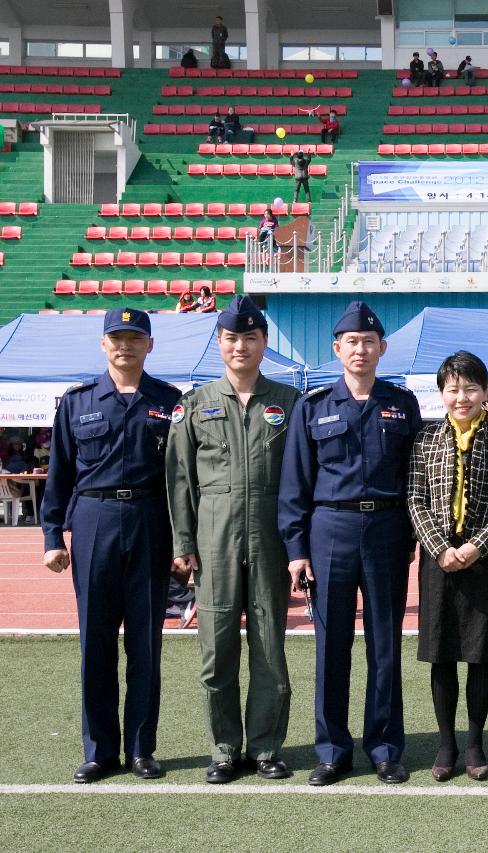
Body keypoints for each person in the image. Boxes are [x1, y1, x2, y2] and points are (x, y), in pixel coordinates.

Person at [278, 301, 423, 787]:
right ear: (337, 349)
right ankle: (332, 750)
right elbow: (295, 484)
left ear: (382, 349)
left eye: (369, 342)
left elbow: (412, 478)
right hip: (329, 533)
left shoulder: (402, 405)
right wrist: (296, 550)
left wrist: (410, 537)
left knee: (385, 646)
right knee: (330, 647)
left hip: (385, 532)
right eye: (351, 342)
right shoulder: (312, 407)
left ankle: (384, 748)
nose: (360, 350)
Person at [41, 308, 182, 784]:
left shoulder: (170, 401)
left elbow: (182, 478)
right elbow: (58, 474)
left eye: (135, 338)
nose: (125, 346)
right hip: (94, 520)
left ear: (149, 345)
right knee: (95, 643)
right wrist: (51, 535)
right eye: (116, 338)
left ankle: (142, 748)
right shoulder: (77, 402)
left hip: (150, 521)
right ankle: (99, 750)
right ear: (104, 345)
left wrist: (183, 540)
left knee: (145, 642)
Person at [165, 297, 300, 784]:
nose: (241, 346)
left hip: (270, 542)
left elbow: (301, 479)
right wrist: (184, 543)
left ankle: (265, 748)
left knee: (269, 649)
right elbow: (180, 480)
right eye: (231, 338)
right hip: (214, 543)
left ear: (264, 343)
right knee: (217, 650)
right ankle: (224, 749)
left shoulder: (288, 402)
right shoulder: (195, 405)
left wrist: (297, 543)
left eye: (250, 337)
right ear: (219, 342)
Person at [409, 351, 488, 782]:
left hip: (484, 560)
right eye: (454, 389)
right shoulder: (424, 439)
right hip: (438, 560)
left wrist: (477, 545)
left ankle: (474, 742)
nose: (462, 397)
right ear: (441, 393)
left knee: (479, 655)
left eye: (471, 388)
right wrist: (439, 547)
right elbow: (414, 499)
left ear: (484, 392)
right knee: (441, 654)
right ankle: (446, 743)